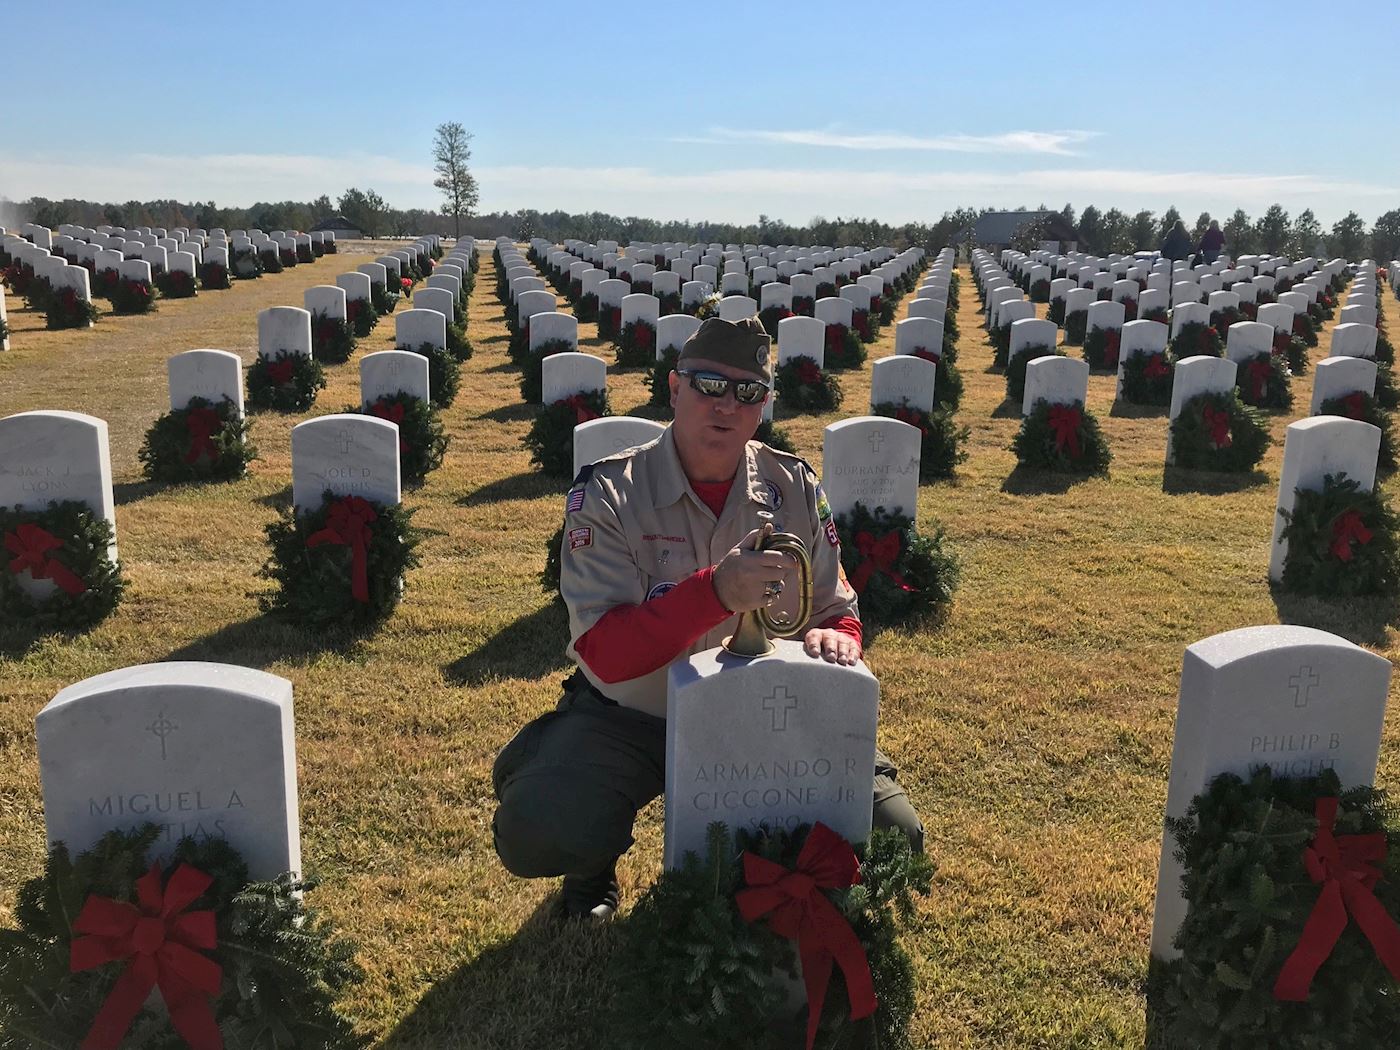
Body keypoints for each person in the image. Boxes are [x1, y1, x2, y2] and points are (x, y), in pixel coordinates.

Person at [491, 316, 924, 921]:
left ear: (764, 405)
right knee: (544, 825)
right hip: (638, 715)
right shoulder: (611, 492)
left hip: (769, 707)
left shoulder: (793, 486)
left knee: (894, 834)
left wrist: (838, 634)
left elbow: (834, 603)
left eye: (747, 392)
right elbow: (605, 652)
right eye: (708, 385)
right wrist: (714, 593)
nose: (726, 405)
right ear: (673, 389)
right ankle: (591, 870)